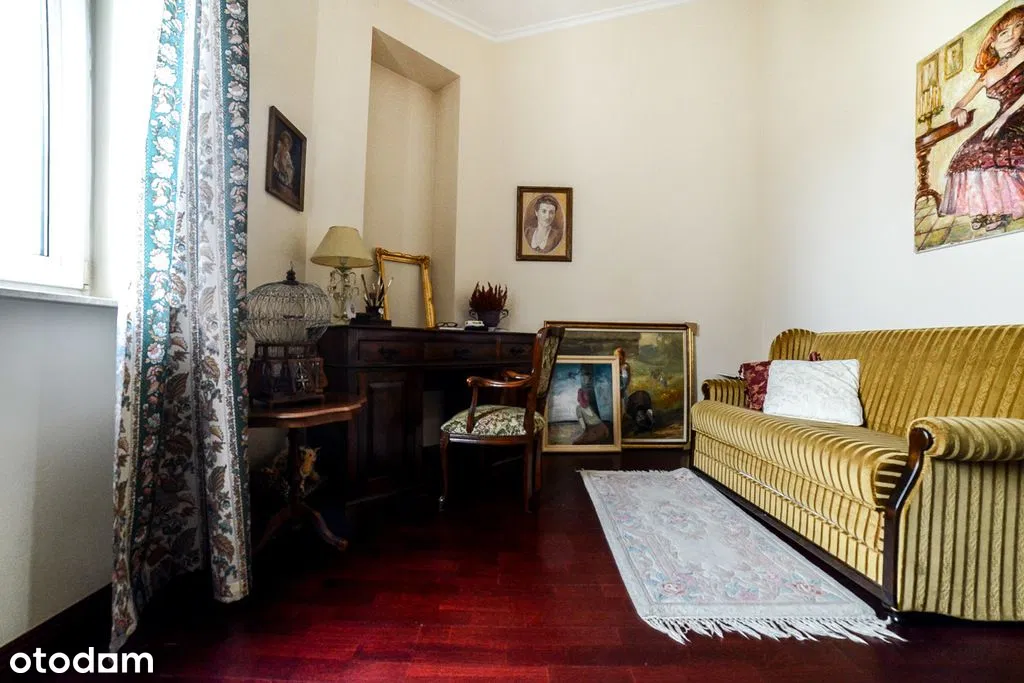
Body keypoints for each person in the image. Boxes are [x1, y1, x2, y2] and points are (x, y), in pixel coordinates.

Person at [939, 6, 1024, 232]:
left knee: (1002, 145)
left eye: (1018, 27)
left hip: (1017, 114)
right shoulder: (988, 74)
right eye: (1004, 32)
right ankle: (984, 207)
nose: (1012, 34)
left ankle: (1004, 208)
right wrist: (959, 110)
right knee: (969, 149)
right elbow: (959, 104)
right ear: (992, 42)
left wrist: (1003, 118)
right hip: (1003, 117)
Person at [272, 129, 297, 200]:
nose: (285, 147)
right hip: (279, 176)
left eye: (287, 144)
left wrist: (286, 169)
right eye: (283, 144)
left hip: (286, 176)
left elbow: (289, 167)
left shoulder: (287, 155)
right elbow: (276, 164)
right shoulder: (278, 154)